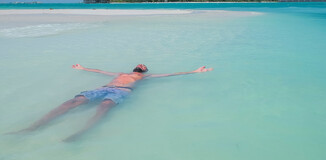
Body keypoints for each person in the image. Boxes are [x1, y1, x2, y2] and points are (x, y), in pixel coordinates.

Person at [13, 64, 213, 141]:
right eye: (140, 63)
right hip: (102, 88)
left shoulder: (145, 78)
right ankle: (34, 127)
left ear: (143, 71)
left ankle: (82, 133)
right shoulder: (120, 73)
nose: (141, 65)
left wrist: (194, 71)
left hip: (122, 92)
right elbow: (100, 71)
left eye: (144, 66)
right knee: (73, 102)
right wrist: (83, 68)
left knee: (105, 107)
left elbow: (170, 74)